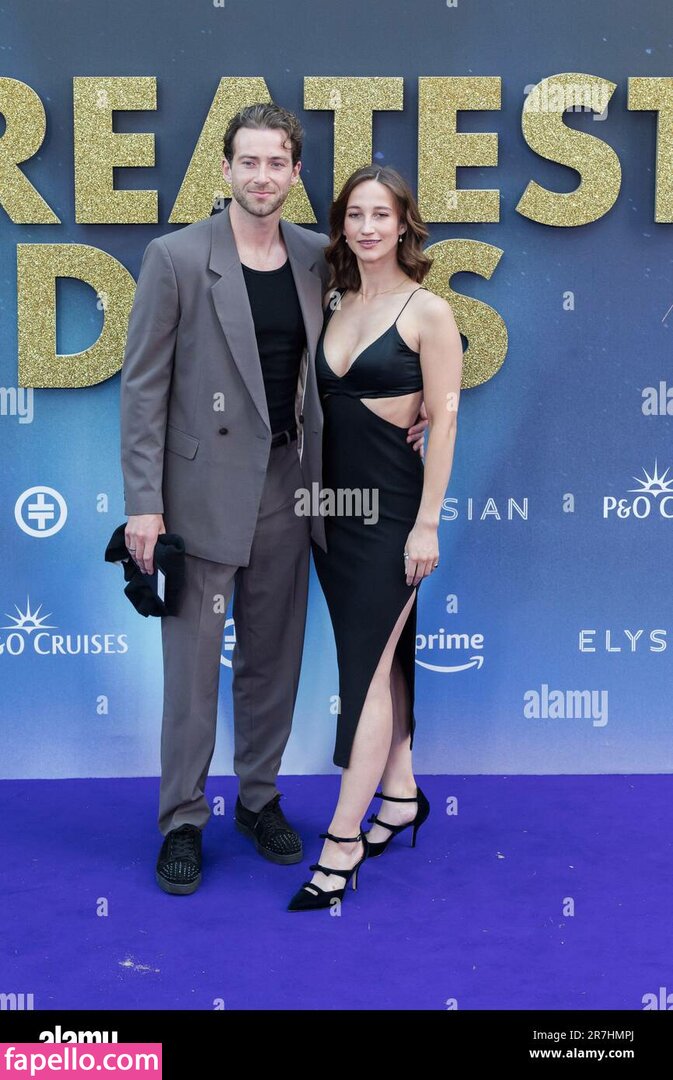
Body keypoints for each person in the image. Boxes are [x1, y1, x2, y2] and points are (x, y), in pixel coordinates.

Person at [120, 104, 427, 895]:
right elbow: (143, 390)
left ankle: (258, 800)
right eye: (248, 162)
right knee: (192, 671)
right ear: (225, 169)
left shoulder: (318, 256)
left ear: (294, 172)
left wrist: (421, 401)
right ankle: (184, 819)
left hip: (290, 487)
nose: (262, 176)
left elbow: (375, 335)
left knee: (273, 658)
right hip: (197, 495)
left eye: (276, 163)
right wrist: (143, 503)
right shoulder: (175, 257)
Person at [287, 165, 463, 911]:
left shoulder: (429, 312)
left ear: (403, 225)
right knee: (381, 663)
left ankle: (341, 842)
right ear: (342, 226)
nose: (366, 227)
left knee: (361, 676)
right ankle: (398, 796)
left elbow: (444, 421)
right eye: (354, 215)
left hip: (392, 515)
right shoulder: (335, 301)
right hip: (330, 511)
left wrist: (426, 524)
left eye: (380, 215)